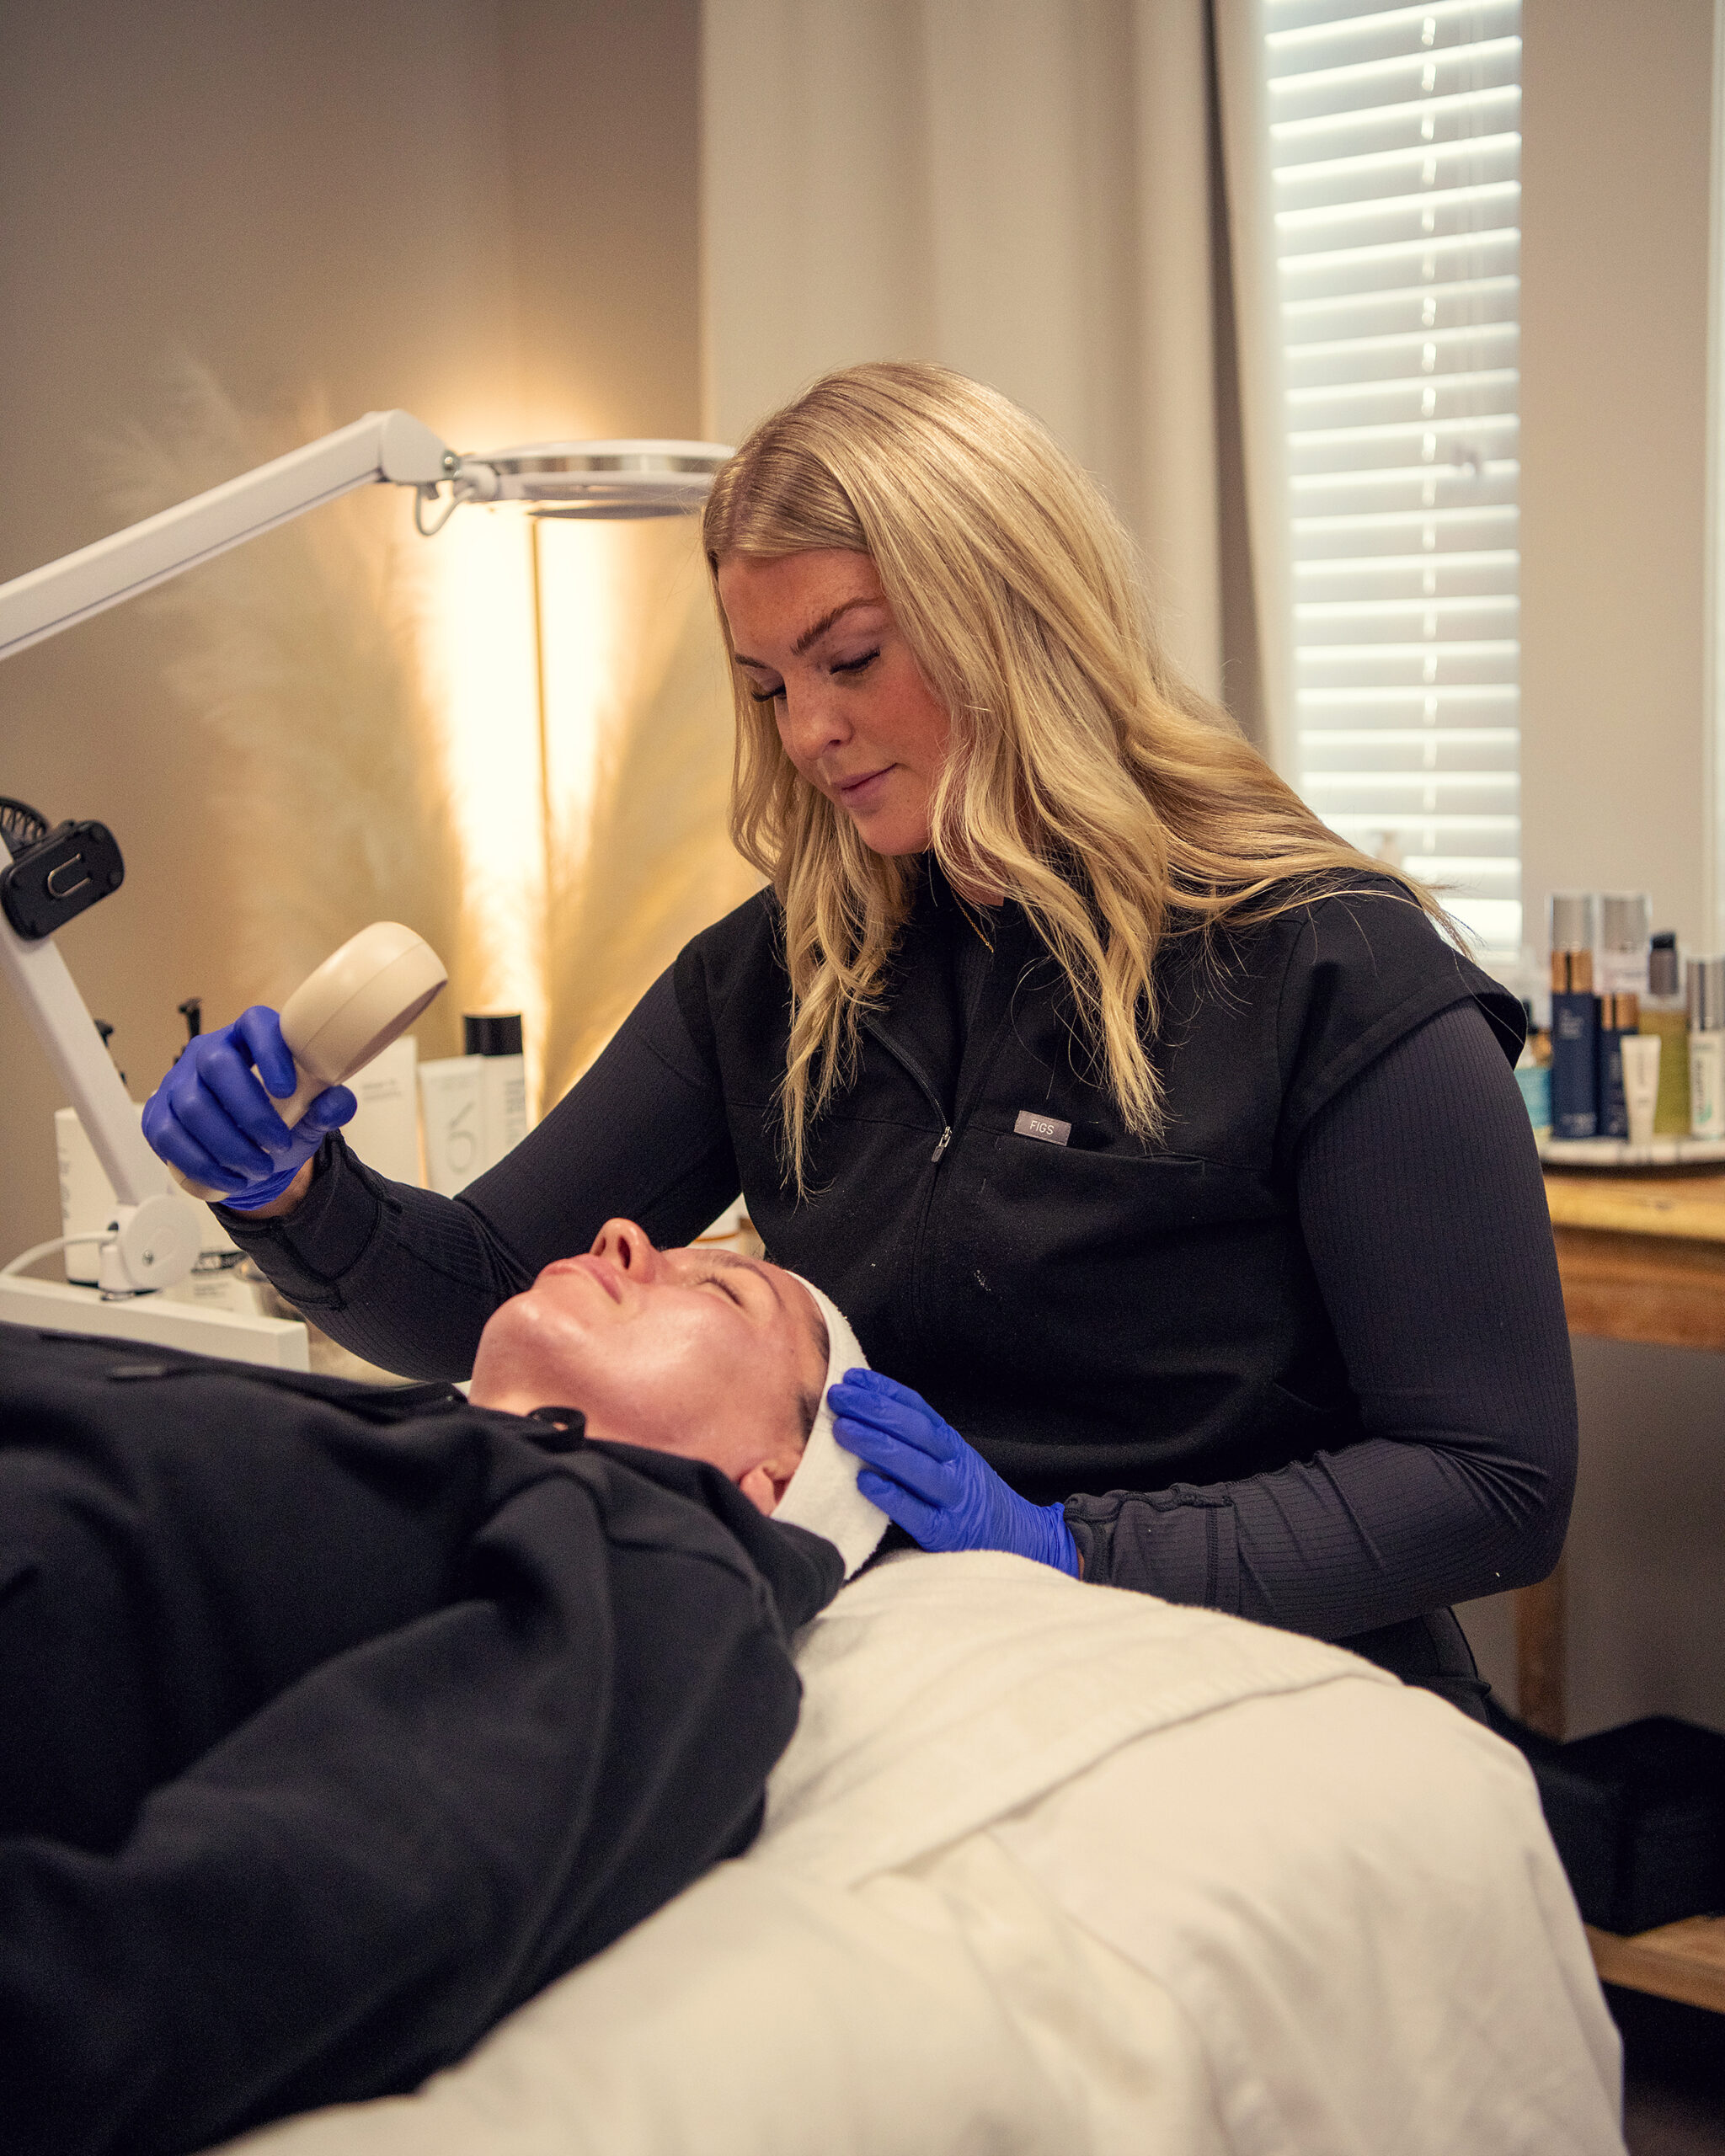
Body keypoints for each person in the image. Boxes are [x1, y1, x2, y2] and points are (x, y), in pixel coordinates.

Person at [142, 360, 1576, 1719]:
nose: (810, 731)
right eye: (768, 684)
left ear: (1012, 616)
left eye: (849, 658)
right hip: (931, 1664)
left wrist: (1069, 1547)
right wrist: (289, 1195)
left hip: (1264, 1688)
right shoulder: (782, 975)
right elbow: (482, 1299)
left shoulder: (1326, 968)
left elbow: (1490, 1482)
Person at [0, 1224, 861, 2156]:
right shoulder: (408, 1451)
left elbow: (205, 1958)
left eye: (722, 1288)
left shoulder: (669, 1574)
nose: (623, 1234)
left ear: (767, 1478)